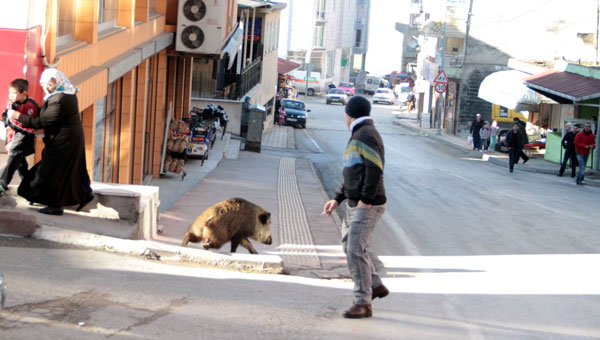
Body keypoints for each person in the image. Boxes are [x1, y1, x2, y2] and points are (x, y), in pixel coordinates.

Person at [323, 96, 387, 319]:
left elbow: (375, 169)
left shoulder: (366, 134)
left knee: (354, 250)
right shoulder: (360, 133)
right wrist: (337, 198)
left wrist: (366, 200)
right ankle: (376, 285)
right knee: (349, 246)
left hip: (366, 205)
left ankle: (363, 303)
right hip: (353, 203)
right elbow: (352, 172)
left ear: (349, 114)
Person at [8, 68, 93, 215]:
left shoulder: (59, 98)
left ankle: (55, 206)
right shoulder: (65, 93)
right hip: (66, 139)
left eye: (50, 84)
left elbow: (44, 121)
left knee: (52, 172)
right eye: (45, 84)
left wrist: (17, 116)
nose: (47, 88)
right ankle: (85, 194)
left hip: (64, 141)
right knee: (71, 170)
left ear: (57, 82)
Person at [0, 79, 40, 195]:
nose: (10, 96)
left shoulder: (32, 105)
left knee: (17, 161)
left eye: (14, 93)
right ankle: (25, 186)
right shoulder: (11, 105)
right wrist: (30, 130)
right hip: (14, 138)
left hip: (25, 139)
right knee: (16, 162)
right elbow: (11, 122)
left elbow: (36, 121)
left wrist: (31, 130)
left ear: (24, 93)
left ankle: (7, 184)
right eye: (9, 93)